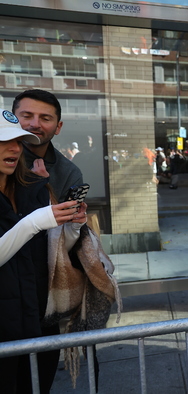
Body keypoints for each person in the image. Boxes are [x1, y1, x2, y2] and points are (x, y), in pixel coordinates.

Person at [0, 109, 87, 394]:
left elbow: (54, 253)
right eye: (3, 142)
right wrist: (36, 221)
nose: (14, 148)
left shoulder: (34, 189)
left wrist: (73, 227)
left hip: (39, 322)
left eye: (18, 141)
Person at [12, 89, 84, 202]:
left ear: (58, 127)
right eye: (26, 116)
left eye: (45, 119)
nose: (35, 124)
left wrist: (44, 188)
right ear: (11, 120)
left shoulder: (68, 172)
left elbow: (68, 218)